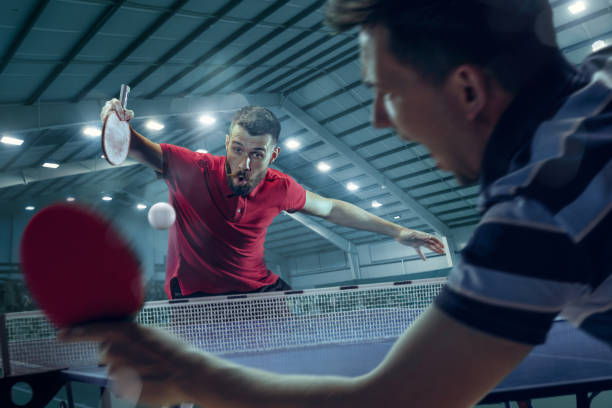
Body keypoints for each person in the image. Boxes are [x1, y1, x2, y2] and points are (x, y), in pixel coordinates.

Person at [61, 0, 612, 406]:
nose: (377, 118)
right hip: (198, 301)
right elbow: (131, 147)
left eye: (389, 93)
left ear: (467, 90)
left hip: (254, 299)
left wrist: (181, 372)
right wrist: (117, 128)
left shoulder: (532, 223)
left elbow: (391, 403)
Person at [100, 103, 444, 299]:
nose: (244, 164)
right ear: (227, 143)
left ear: (273, 155)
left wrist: (397, 231)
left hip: (259, 291)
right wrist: (112, 119)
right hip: (197, 296)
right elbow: (132, 144)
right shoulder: (194, 168)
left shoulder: (280, 188)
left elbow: (332, 207)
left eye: (257, 154)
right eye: (237, 149)